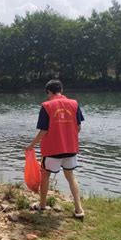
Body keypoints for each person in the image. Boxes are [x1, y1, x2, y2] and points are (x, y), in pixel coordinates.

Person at [26, 80, 85, 218]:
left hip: (52, 149)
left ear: (48, 92)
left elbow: (44, 131)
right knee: (70, 176)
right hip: (71, 148)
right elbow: (78, 127)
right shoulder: (74, 104)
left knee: (45, 174)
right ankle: (79, 209)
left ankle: (42, 205)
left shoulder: (46, 106)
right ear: (61, 90)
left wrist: (31, 145)